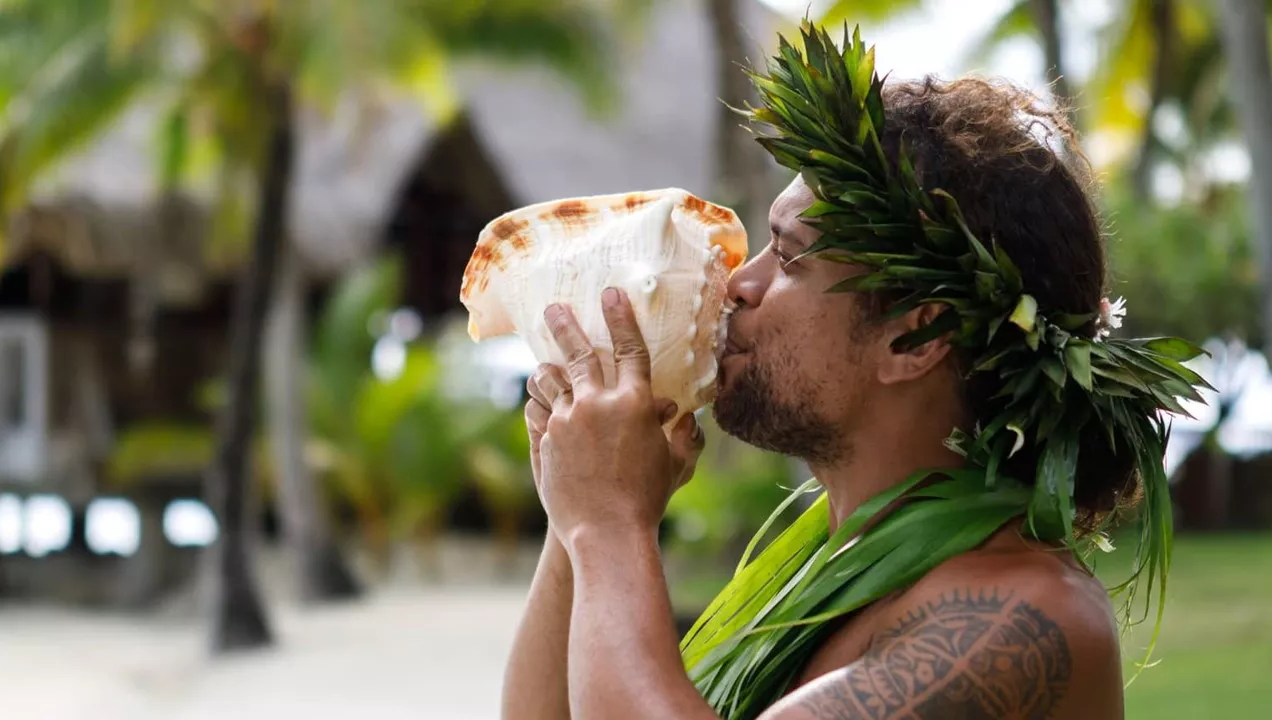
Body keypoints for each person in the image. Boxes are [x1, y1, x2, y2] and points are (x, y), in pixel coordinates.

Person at [501, 23, 1195, 720]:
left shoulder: (1021, 618)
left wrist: (611, 525)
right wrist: (576, 515)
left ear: (913, 337)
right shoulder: (823, 574)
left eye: (790, 258)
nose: (740, 285)